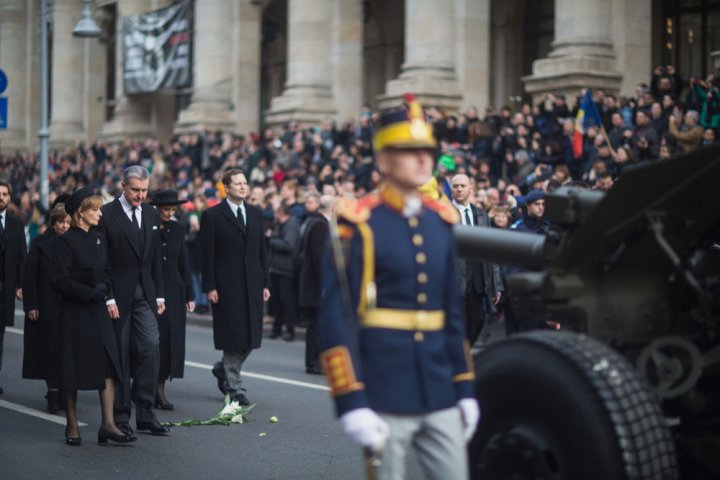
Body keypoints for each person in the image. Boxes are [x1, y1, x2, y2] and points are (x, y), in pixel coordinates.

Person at [317, 94, 479, 480]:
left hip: (439, 389)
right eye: (409, 150)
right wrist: (351, 398)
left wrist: (465, 386)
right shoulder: (358, 224)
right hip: (385, 392)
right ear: (384, 160)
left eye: (427, 150)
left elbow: (450, 316)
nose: (424, 159)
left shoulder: (440, 220)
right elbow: (336, 318)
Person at [50, 188, 135, 446]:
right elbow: (59, 281)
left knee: (108, 363)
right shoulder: (65, 241)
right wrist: (89, 292)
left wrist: (105, 290)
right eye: (95, 209)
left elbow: (107, 271)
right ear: (81, 213)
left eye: (99, 208)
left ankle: (108, 424)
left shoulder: (99, 238)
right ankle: (72, 425)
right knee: (72, 368)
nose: (100, 213)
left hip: (98, 310)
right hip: (75, 313)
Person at [97, 166, 168, 436]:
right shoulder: (106, 214)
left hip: (145, 295)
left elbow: (153, 261)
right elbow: (102, 260)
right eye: (135, 190)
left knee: (151, 347)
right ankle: (121, 417)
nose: (140, 195)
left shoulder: (151, 213)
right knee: (122, 356)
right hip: (117, 296)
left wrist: (159, 294)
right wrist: (108, 297)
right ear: (123, 186)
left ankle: (147, 413)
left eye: (144, 190)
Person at [201, 169, 270, 406]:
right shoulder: (212, 216)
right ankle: (235, 387)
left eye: (245, 183)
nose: (242, 186)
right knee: (233, 335)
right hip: (226, 285)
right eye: (237, 183)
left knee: (251, 336)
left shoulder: (255, 214)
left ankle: (223, 368)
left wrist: (265, 282)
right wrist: (209, 286)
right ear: (227, 188)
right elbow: (207, 255)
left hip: (253, 282)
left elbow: (262, 250)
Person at [22, 202, 71, 412]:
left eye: (69, 222)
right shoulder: (40, 242)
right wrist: (31, 304)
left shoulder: (75, 242)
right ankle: (53, 392)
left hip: (69, 303)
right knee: (49, 348)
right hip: (47, 302)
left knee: (66, 349)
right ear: (54, 222)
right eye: (61, 222)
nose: (65, 226)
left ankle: (63, 391)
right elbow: (30, 275)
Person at [151, 190, 195, 410]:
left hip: (175, 293)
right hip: (153, 291)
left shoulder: (178, 229)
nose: (169, 213)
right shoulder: (148, 227)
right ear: (157, 208)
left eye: (172, 209)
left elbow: (183, 263)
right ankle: (146, 388)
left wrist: (190, 294)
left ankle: (159, 389)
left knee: (171, 342)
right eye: (166, 209)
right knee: (154, 342)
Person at [450, 173, 503, 346]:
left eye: (462, 186)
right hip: (455, 279)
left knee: (478, 321)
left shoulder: (481, 215)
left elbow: (490, 249)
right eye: (455, 186)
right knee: (457, 325)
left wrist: (496, 285)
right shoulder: (445, 213)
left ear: (470, 188)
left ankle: (465, 353)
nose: (458, 189)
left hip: (478, 280)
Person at [297, 193, 332, 375]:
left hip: (312, 283)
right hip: (316, 285)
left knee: (315, 324)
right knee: (316, 325)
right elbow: (320, 258)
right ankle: (314, 362)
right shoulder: (321, 225)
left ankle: (314, 361)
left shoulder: (314, 221)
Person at [0, 180, 27, 395]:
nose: (2, 197)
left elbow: (21, 258)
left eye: (5, 194)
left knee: (0, 336)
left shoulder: (16, 224)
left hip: (5, 289)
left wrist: (20, 285)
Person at [268, 201, 301, 342]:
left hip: (286, 269)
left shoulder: (291, 226)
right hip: (277, 268)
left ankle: (289, 330)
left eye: (276, 212)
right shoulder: (279, 225)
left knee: (287, 301)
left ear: (281, 213)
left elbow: (289, 245)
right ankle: (277, 329)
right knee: (277, 301)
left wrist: (272, 239)